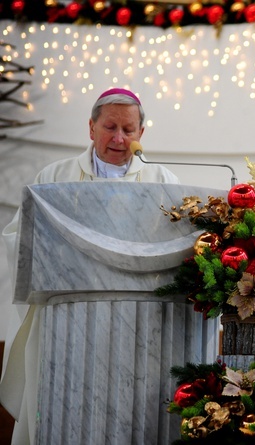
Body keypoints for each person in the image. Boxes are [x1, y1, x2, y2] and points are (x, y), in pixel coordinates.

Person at [0, 88, 179, 445]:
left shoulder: (164, 182)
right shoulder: (55, 176)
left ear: (141, 133)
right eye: (110, 126)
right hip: (66, 317)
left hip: (142, 324)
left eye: (128, 130)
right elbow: (17, 237)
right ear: (91, 127)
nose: (119, 138)